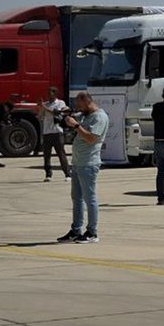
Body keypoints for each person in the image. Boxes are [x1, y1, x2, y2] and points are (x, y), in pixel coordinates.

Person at [56, 91, 109, 244]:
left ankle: (92, 231)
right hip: (78, 163)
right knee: (77, 198)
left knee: (90, 198)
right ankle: (76, 229)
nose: (79, 109)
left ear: (87, 101)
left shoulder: (99, 117)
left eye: (80, 105)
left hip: (89, 164)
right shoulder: (86, 116)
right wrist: (67, 118)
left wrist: (76, 125)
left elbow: (91, 138)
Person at [38, 87, 71, 182]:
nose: (48, 95)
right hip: (47, 132)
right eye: (47, 93)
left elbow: (56, 113)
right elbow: (40, 116)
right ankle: (48, 174)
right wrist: (41, 107)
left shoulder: (60, 103)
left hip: (57, 132)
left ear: (55, 94)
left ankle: (67, 174)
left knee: (61, 153)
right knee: (46, 155)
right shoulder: (45, 105)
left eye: (50, 93)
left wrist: (44, 107)